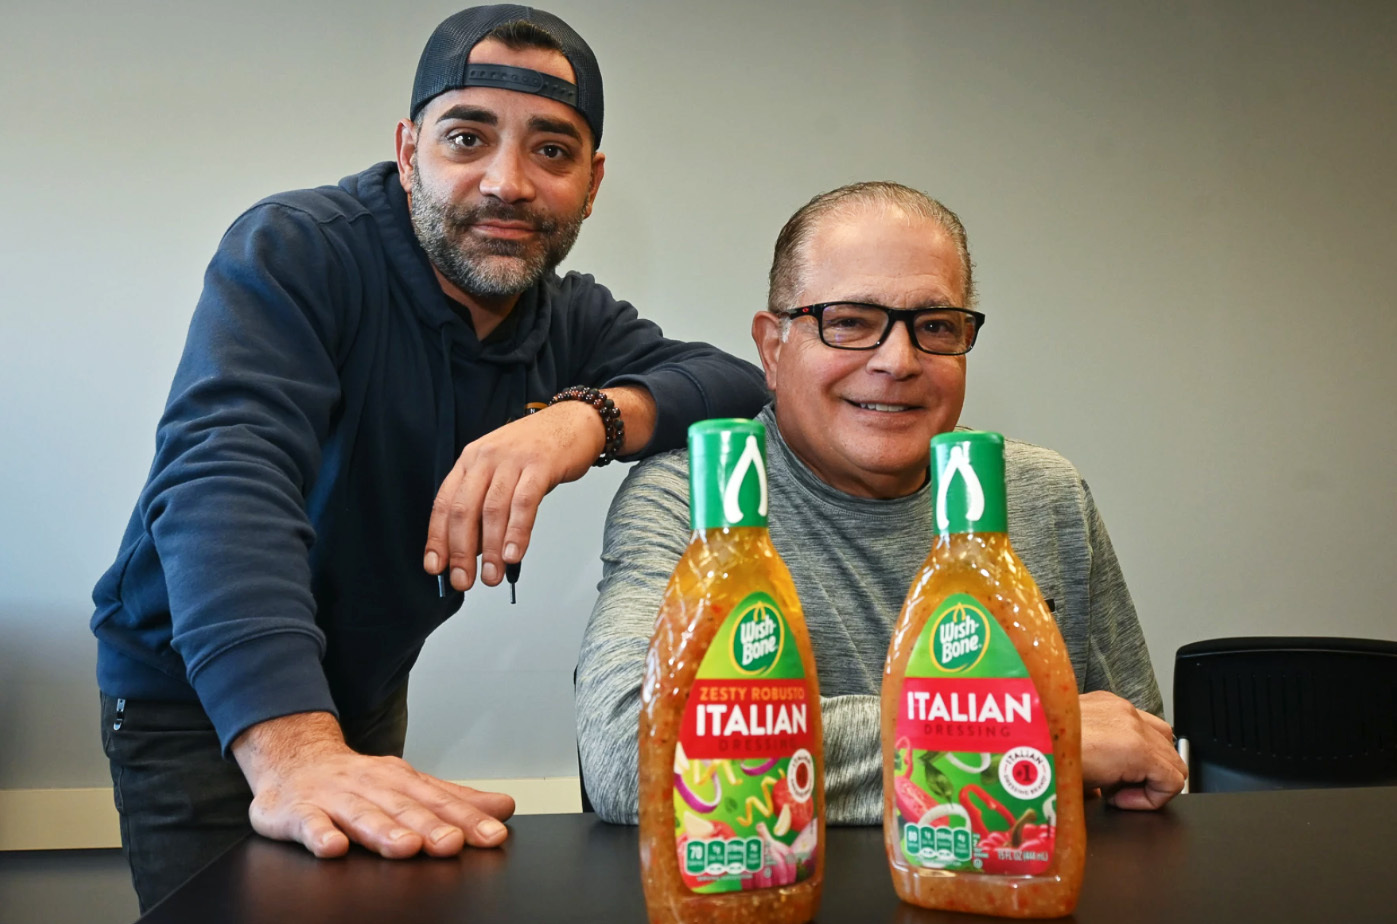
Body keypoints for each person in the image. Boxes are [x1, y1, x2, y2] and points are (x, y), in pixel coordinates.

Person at [91, 5, 768, 910]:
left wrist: (580, 419)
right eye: (466, 138)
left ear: (592, 183)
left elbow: (730, 383)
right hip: (202, 694)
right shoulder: (298, 250)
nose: (508, 182)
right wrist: (296, 749)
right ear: (409, 150)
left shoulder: (563, 317)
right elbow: (225, 475)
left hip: (364, 683)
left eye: (552, 152)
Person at [576, 181, 1186, 826]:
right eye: (848, 323)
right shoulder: (698, 498)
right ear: (772, 348)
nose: (898, 360)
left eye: (935, 327)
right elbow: (629, 753)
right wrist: (1029, 729)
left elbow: (1135, 754)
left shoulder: (1042, 493)